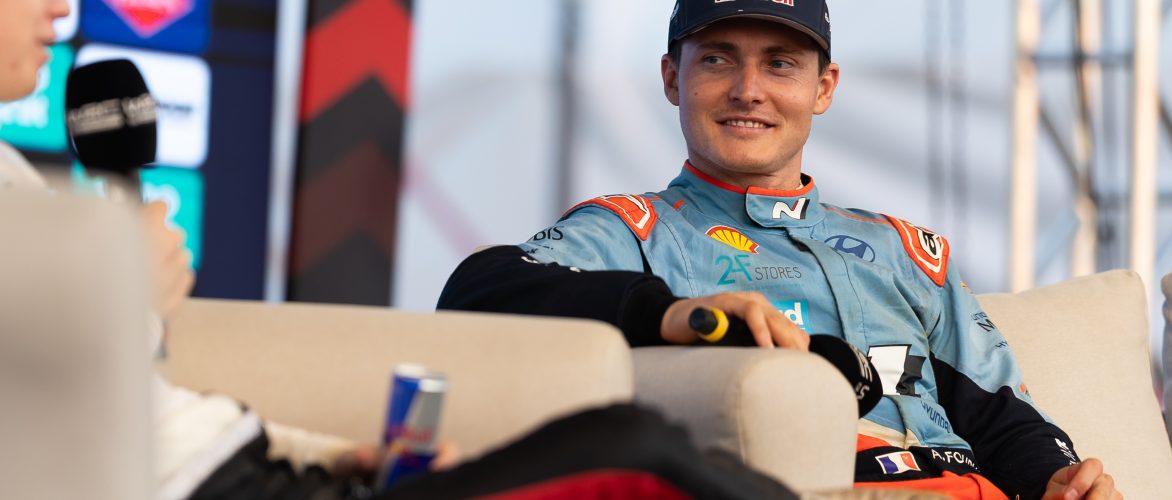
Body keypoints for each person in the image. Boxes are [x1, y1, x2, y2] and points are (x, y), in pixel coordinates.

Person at [0, 1, 805, 498]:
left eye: (783, 65)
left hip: (267, 472)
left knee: (637, 449)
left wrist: (337, 453)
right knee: (638, 451)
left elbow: (135, 401)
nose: (59, 11)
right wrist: (119, 299)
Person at [438, 1, 1121, 499]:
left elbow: (1002, 416)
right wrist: (671, 314)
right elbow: (477, 289)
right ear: (672, 78)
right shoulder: (633, 228)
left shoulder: (907, 249)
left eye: (780, 64)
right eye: (717, 59)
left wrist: (1058, 479)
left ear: (823, 88)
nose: (748, 90)